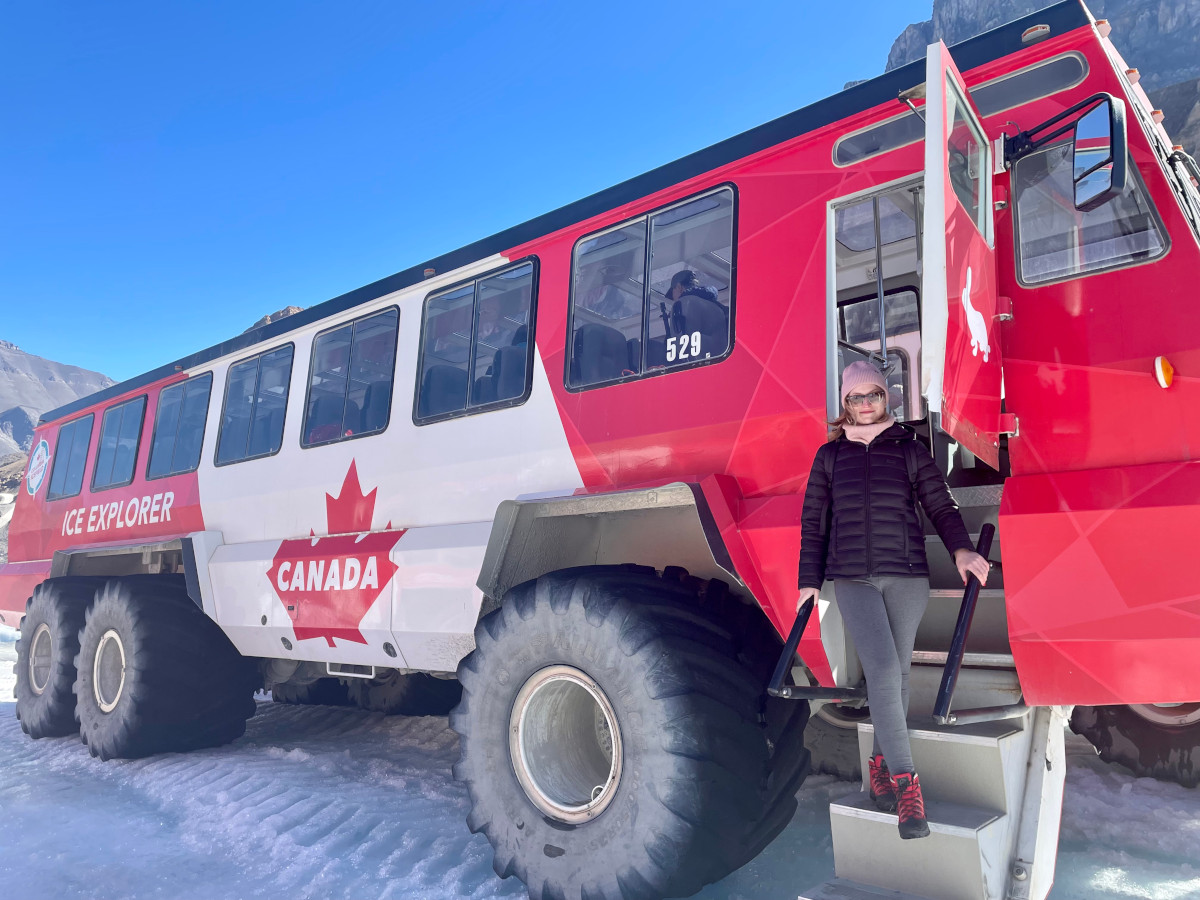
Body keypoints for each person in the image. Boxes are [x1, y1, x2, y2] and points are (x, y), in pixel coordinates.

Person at [796, 360, 990, 840]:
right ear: (844, 405)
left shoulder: (909, 449)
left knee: (897, 676)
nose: (865, 405)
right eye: (855, 397)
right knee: (882, 672)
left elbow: (940, 504)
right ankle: (908, 790)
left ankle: (880, 768)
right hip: (853, 580)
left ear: (888, 398)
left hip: (907, 578)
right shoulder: (829, 457)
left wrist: (962, 550)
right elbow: (814, 523)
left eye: (874, 395)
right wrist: (809, 580)